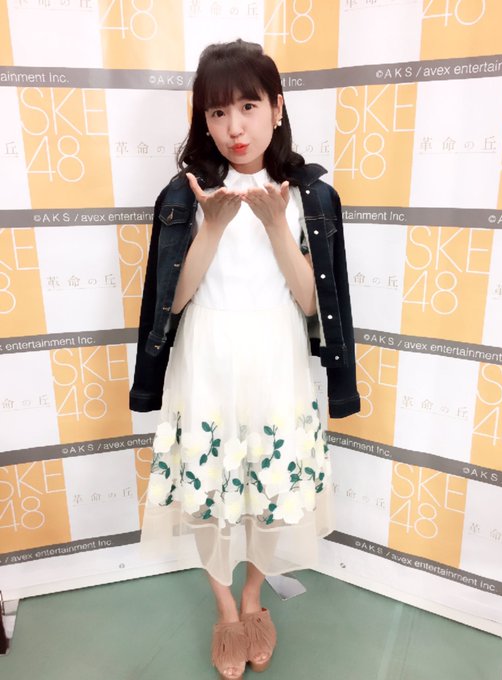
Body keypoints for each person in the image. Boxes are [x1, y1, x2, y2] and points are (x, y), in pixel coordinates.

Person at [129, 39, 360, 680]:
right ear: (203, 120)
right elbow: (172, 300)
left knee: (272, 487)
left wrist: (277, 224)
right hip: (206, 358)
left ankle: (255, 598)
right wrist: (213, 225)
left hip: (276, 358)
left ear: (277, 108)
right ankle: (226, 610)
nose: (235, 127)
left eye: (249, 107)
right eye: (217, 111)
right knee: (209, 490)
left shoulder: (310, 196)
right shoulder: (186, 193)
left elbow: (312, 301)